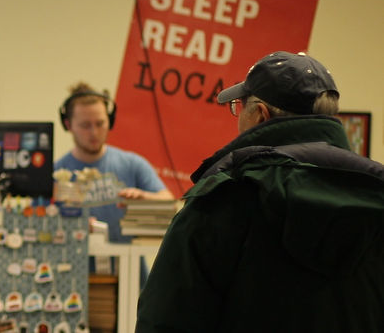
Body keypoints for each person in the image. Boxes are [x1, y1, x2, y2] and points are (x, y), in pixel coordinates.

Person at [136, 51, 384, 332]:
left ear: (260, 116)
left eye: (239, 108)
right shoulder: (376, 193)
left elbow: (168, 318)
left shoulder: (225, 197)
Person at [55, 82, 174, 243]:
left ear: (110, 121)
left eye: (100, 123)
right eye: (85, 125)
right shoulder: (56, 173)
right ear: (68, 125)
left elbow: (170, 204)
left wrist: (145, 198)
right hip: (77, 266)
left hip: (130, 266)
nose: (94, 132)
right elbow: (37, 223)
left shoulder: (132, 164)